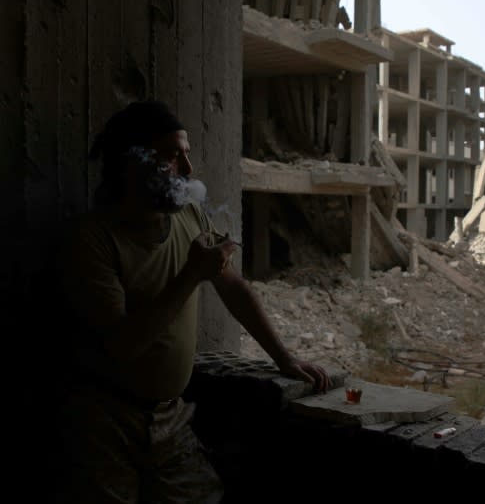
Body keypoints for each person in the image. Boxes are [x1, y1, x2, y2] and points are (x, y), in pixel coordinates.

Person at [50, 100, 330, 503]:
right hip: (103, 421)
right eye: (171, 157)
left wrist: (284, 359)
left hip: (168, 415)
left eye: (187, 154)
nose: (188, 170)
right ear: (132, 164)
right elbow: (122, 344)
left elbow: (232, 288)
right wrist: (189, 276)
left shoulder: (188, 217)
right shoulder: (90, 240)